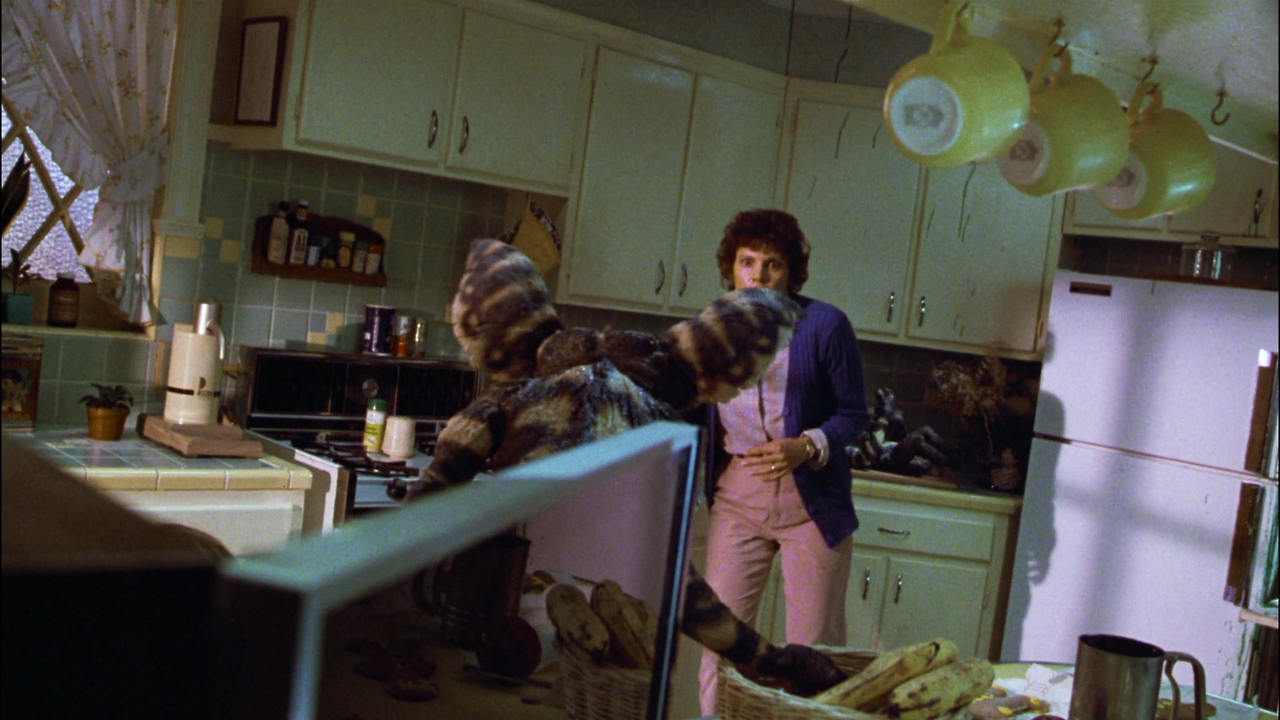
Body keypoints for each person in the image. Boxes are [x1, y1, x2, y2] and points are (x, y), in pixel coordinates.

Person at [697, 208, 870, 716]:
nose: (759, 275)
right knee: (719, 641)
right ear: (732, 268)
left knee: (814, 654)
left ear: (791, 272)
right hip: (739, 496)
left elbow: (854, 415)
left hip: (809, 501)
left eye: (772, 264)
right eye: (747, 262)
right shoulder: (711, 328)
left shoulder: (825, 326)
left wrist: (807, 445)